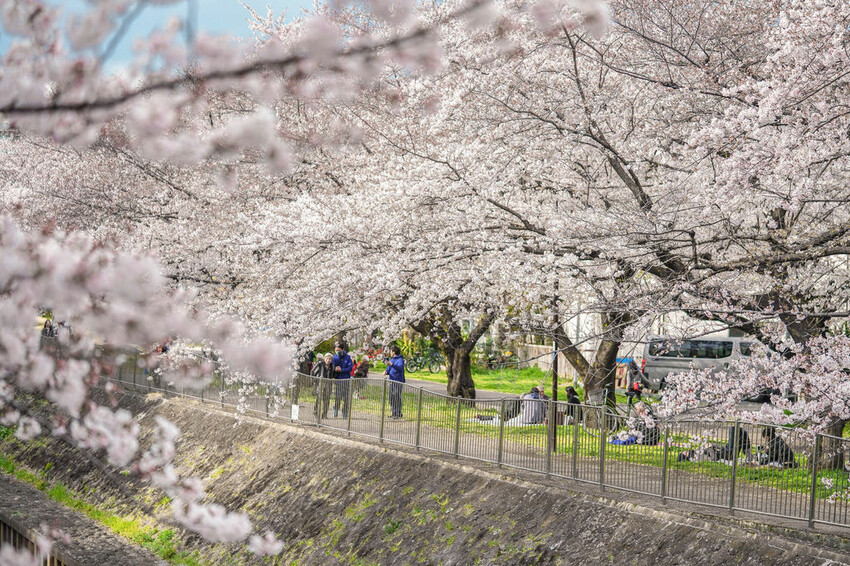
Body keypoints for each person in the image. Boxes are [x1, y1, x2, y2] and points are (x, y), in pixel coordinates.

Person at [332, 342, 354, 418]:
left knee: (346, 397)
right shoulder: (335, 357)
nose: (337, 351)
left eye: (338, 350)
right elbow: (333, 366)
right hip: (338, 380)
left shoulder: (347, 357)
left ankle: (345, 412)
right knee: (338, 396)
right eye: (336, 350)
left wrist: (342, 370)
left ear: (343, 349)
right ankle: (336, 409)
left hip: (346, 379)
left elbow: (350, 368)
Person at [384, 345, 405, 419]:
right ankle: (393, 412)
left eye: (391, 351)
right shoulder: (392, 360)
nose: (390, 353)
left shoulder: (400, 360)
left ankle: (398, 413)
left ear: (394, 352)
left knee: (397, 397)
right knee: (391, 397)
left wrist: (392, 365)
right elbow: (389, 369)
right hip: (391, 381)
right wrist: (386, 372)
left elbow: (400, 368)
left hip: (398, 381)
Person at [310, 353, 334, 418]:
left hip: (328, 384)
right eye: (327, 358)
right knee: (318, 398)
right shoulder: (320, 364)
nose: (328, 360)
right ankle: (315, 412)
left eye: (330, 359)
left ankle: (325, 414)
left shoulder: (332, 366)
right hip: (320, 383)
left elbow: (333, 375)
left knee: (327, 400)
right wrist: (313, 380)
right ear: (324, 358)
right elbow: (312, 371)